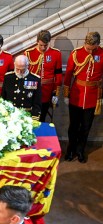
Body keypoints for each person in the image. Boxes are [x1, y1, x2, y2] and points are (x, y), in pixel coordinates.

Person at [63, 31, 103, 163]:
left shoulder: (102, 54)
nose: (89, 51)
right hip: (76, 95)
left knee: (86, 127)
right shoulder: (77, 53)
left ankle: (80, 151)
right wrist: (66, 94)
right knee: (73, 126)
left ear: (98, 45)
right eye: (87, 48)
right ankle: (70, 150)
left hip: (92, 97)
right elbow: (68, 74)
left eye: (92, 48)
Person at [24, 30, 62, 122]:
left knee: (42, 117)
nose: (43, 48)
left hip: (47, 92)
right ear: (37, 41)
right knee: (29, 118)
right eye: (41, 45)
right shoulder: (28, 53)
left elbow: (58, 74)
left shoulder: (56, 54)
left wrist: (56, 93)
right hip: (31, 90)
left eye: (45, 45)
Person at [1, 55, 42, 120]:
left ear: (27, 66)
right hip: (10, 114)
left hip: (27, 115)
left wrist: (35, 116)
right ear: (14, 65)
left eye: (22, 70)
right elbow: (3, 97)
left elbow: (37, 101)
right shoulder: (8, 77)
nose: (19, 72)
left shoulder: (35, 79)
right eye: (17, 69)